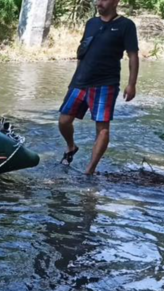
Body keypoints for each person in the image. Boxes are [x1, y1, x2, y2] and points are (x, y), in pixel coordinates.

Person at [58, 0, 138, 175]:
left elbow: (133, 56)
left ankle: (89, 170)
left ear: (116, 2)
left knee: (102, 128)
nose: (98, 3)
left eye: (104, 0)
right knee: (64, 121)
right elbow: (82, 50)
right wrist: (75, 78)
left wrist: (131, 84)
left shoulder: (126, 25)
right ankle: (71, 146)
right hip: (80, 81)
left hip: (105, 83)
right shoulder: (91, 23)